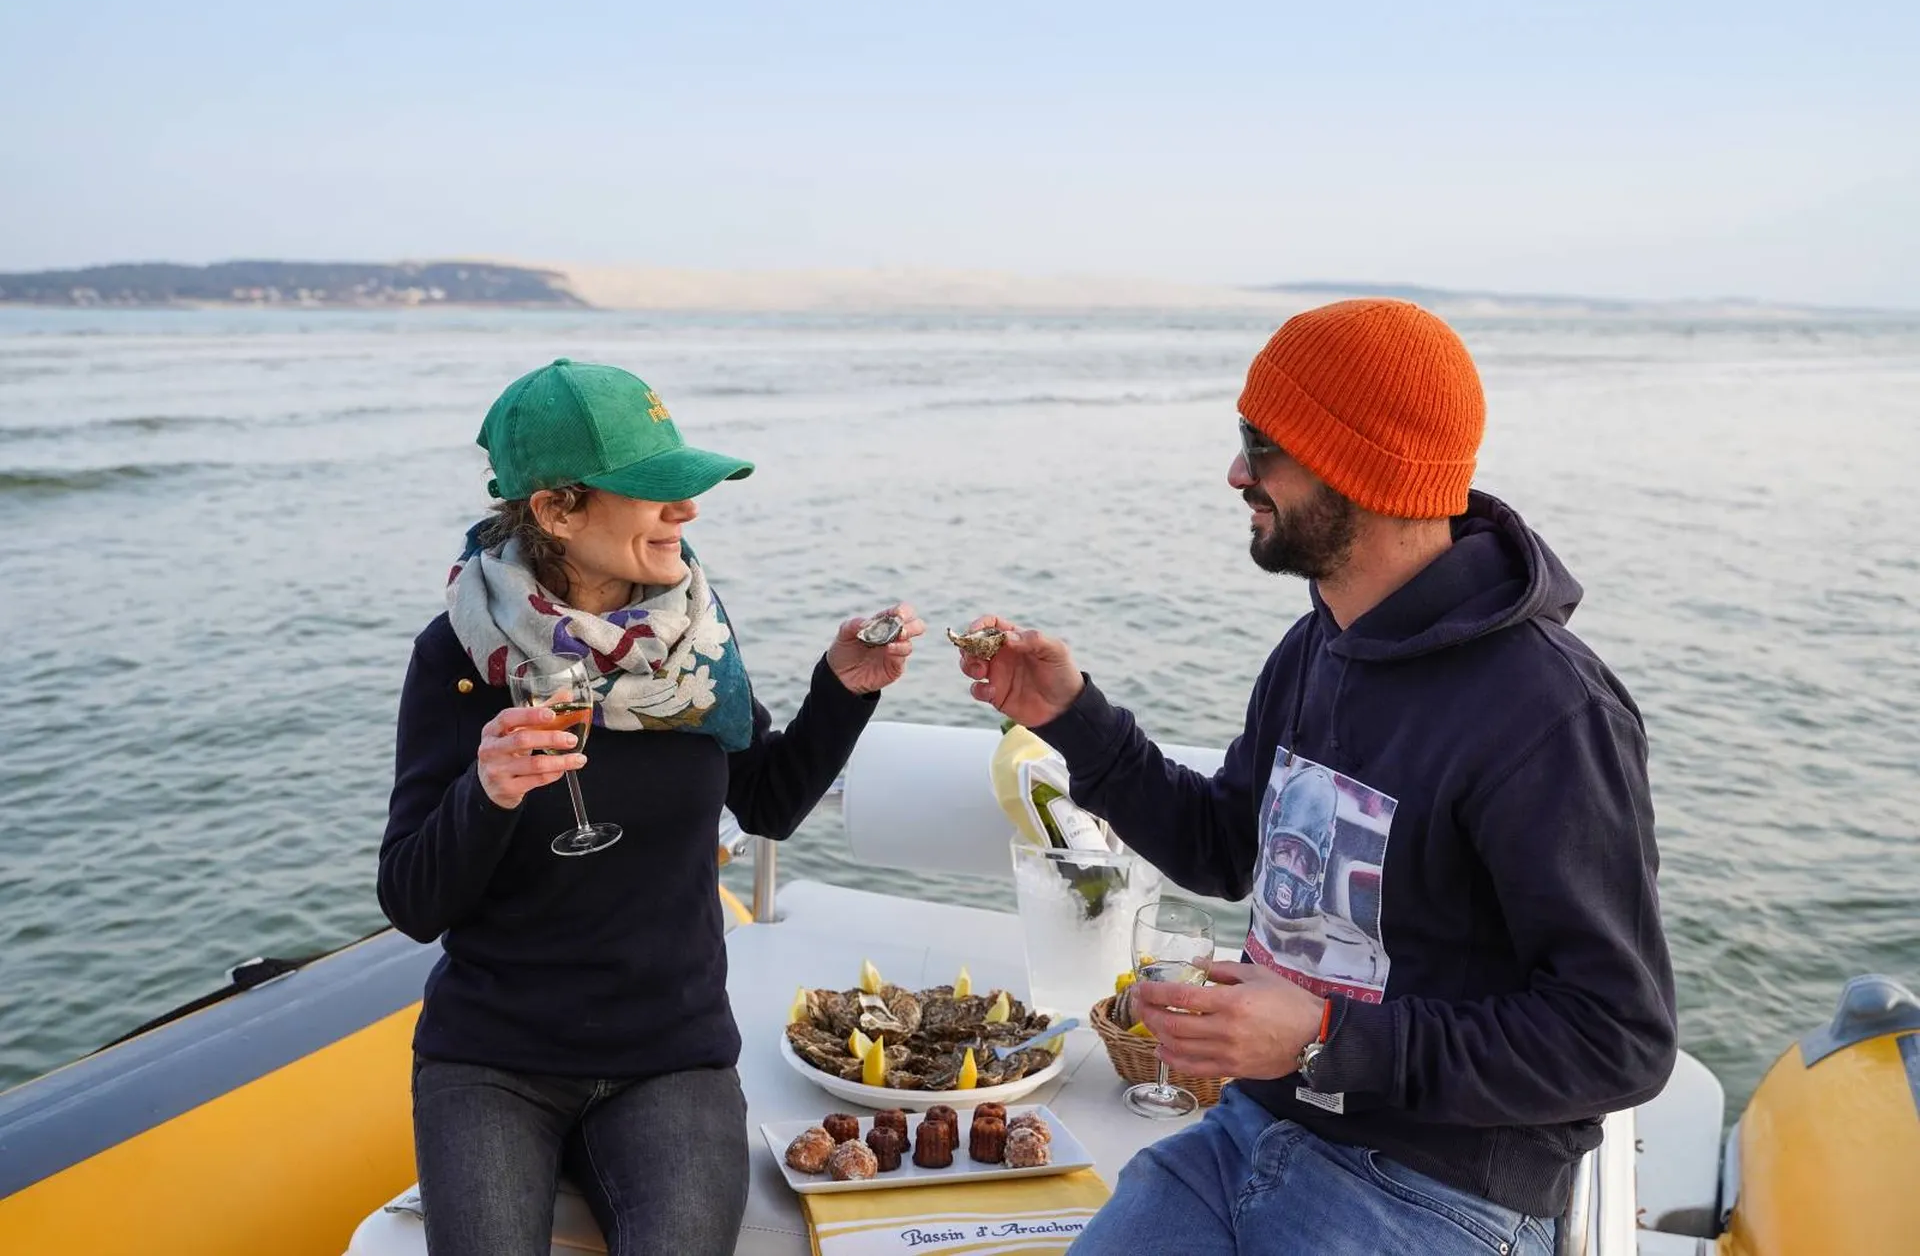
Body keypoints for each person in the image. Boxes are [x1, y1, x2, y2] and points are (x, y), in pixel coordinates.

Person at [955, 301, 1676, 1255]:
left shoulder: (1549, 713)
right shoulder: (1316, 645)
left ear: (1361, 469)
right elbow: (1223, 848)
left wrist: (1326, 1036)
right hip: (1247, 1132)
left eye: (1262, 445)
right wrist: (1073, 717)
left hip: (1437, 1192)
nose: (1236, 473)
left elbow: (1617, 1036)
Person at [378, 358, 923, 1256]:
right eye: (655, 491)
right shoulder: (459, 655)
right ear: (557, 510)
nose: (687, 510)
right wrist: (488, 791)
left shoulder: (691, 639)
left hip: (670, 1054)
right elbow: (410, 899)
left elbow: (769, 801)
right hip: (494, 1058)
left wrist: (844, 687)